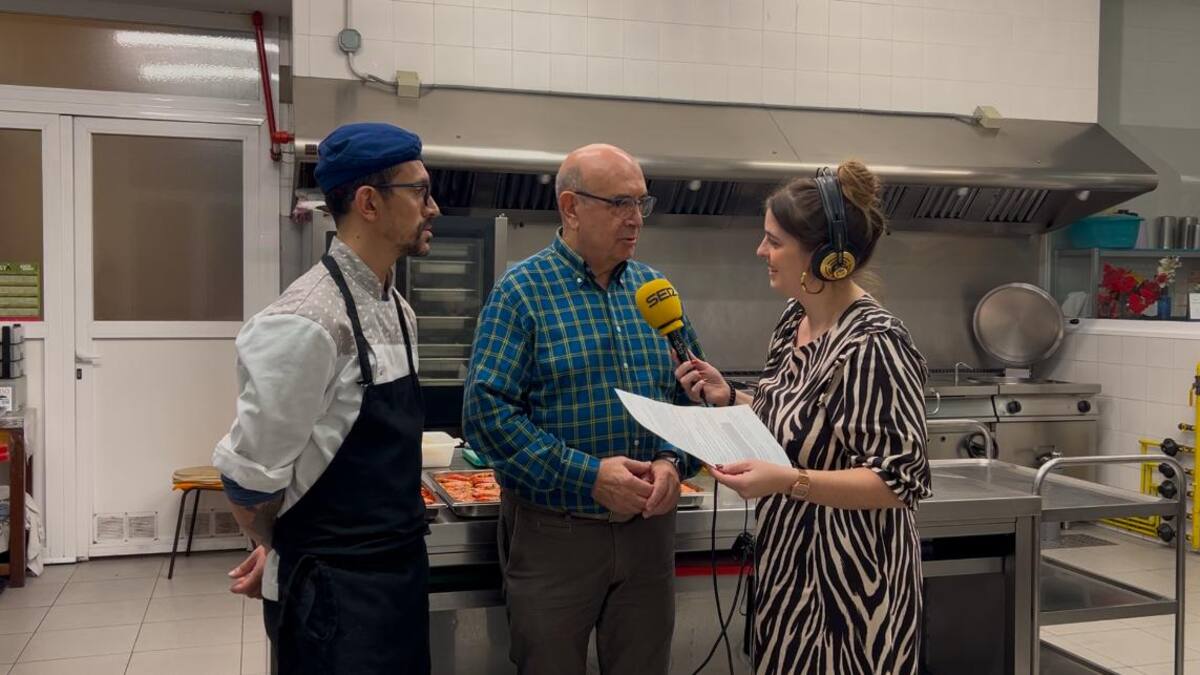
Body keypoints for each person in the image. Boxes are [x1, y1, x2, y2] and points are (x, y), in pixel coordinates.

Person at [674, 161, 932, 674]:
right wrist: (731, 397)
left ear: (825, 258)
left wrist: (788, 481)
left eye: (774, 242)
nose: (761, 251)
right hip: (789, 569)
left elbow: (898, 482)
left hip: (853, 587)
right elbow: (795, 418)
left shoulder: (875, 343)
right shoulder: (796, 318)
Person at [463, 143, 701, 675]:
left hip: (648, 535)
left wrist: (672, 462)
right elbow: (486, 418)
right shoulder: (521, 293)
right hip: (556, 536)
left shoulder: (654, 292)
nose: (636, 219)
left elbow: (690, 396)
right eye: (620, 203)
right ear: (571, 208)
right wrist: (588, 476)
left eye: (642, 203)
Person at [212, 122, 439, 674]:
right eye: (420, 191)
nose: (433, 208)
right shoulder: (305, 322)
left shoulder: (399, 310)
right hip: (332, 597)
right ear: (369, 203)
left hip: (400, 579)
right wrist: (281, 548)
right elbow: (248, 481)